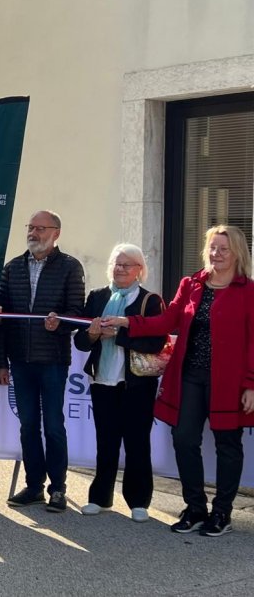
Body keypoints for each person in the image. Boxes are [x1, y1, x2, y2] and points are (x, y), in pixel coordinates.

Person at [103, 225, 254, 537]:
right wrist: (128, 322)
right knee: (184, 439)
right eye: (212, 247)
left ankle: (222, 512)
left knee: (228, 444)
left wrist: (251, 383)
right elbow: (167, 320)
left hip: (230, 382)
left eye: (224, 249)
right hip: (190, 377)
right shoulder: (192, 284)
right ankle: (195, 507)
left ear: (238, 252)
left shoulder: (249, 291)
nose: (217, 254)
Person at [0, 210, 85, 512]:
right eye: (30, 227)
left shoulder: (70, 267)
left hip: (53, 360)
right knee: (28, 425)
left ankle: (57, 488)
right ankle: (33, 486)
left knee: (54, 425)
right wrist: (1, 362)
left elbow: (77, 315)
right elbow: (3, 318)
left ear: (56, 233)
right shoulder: (12, 267)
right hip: (20, 359)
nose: (33, 233)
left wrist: (62, 323)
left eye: (40, 228)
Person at [74, 244, 165, 523]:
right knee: (106, 441)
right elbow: (80, 340)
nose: (120, 269)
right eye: (116, 263)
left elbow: (157, 340)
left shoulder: (150, 300)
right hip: (102, 380)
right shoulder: (98, 296)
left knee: (137, 442)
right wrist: (92, 335)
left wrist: (120, 334)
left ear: (140, 270)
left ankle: (139, 501)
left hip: (136, 383)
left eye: (127, 265)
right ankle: (100, 497)